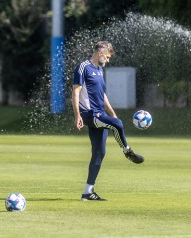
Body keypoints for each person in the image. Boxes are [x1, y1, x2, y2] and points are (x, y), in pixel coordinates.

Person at [72, 41, 144, 201]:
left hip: (100, 114)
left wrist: (112, 113)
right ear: (100, 53)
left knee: (99, 153)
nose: (109, 60)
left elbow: (102, 96)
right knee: (117, 125)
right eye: (108, 57)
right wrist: (77, 115)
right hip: (90, 114)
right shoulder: (83, 67)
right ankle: (127, 151)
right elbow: (75, 92)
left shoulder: (99, 70)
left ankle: (87, 192)